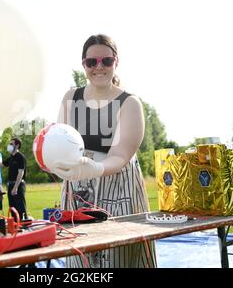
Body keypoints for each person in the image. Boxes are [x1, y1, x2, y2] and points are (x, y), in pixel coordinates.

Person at [53, 34, 156, 268]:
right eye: (92, 62)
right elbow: (59, 143)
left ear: (115, 62)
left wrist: (94, 168)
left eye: (106, 61)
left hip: (119, 190)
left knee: (118, 260)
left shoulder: (130, 103)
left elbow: (120, 155)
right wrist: (54, 162)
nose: (99, 67)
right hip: (76, 193)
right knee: (79, 262)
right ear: (84, 65)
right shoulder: (71, 98)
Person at [0, 137, 27, 219]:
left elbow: (21, 173)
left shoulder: (20, 157)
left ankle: (23, 225)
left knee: (20, 207)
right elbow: (1, 165)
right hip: (10, 185)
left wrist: (15, 187)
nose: (9, 146)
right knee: (13, 207)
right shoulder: (11, 157)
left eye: (11, 144)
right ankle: (15, 225)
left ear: (17, 145)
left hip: (18, 185)